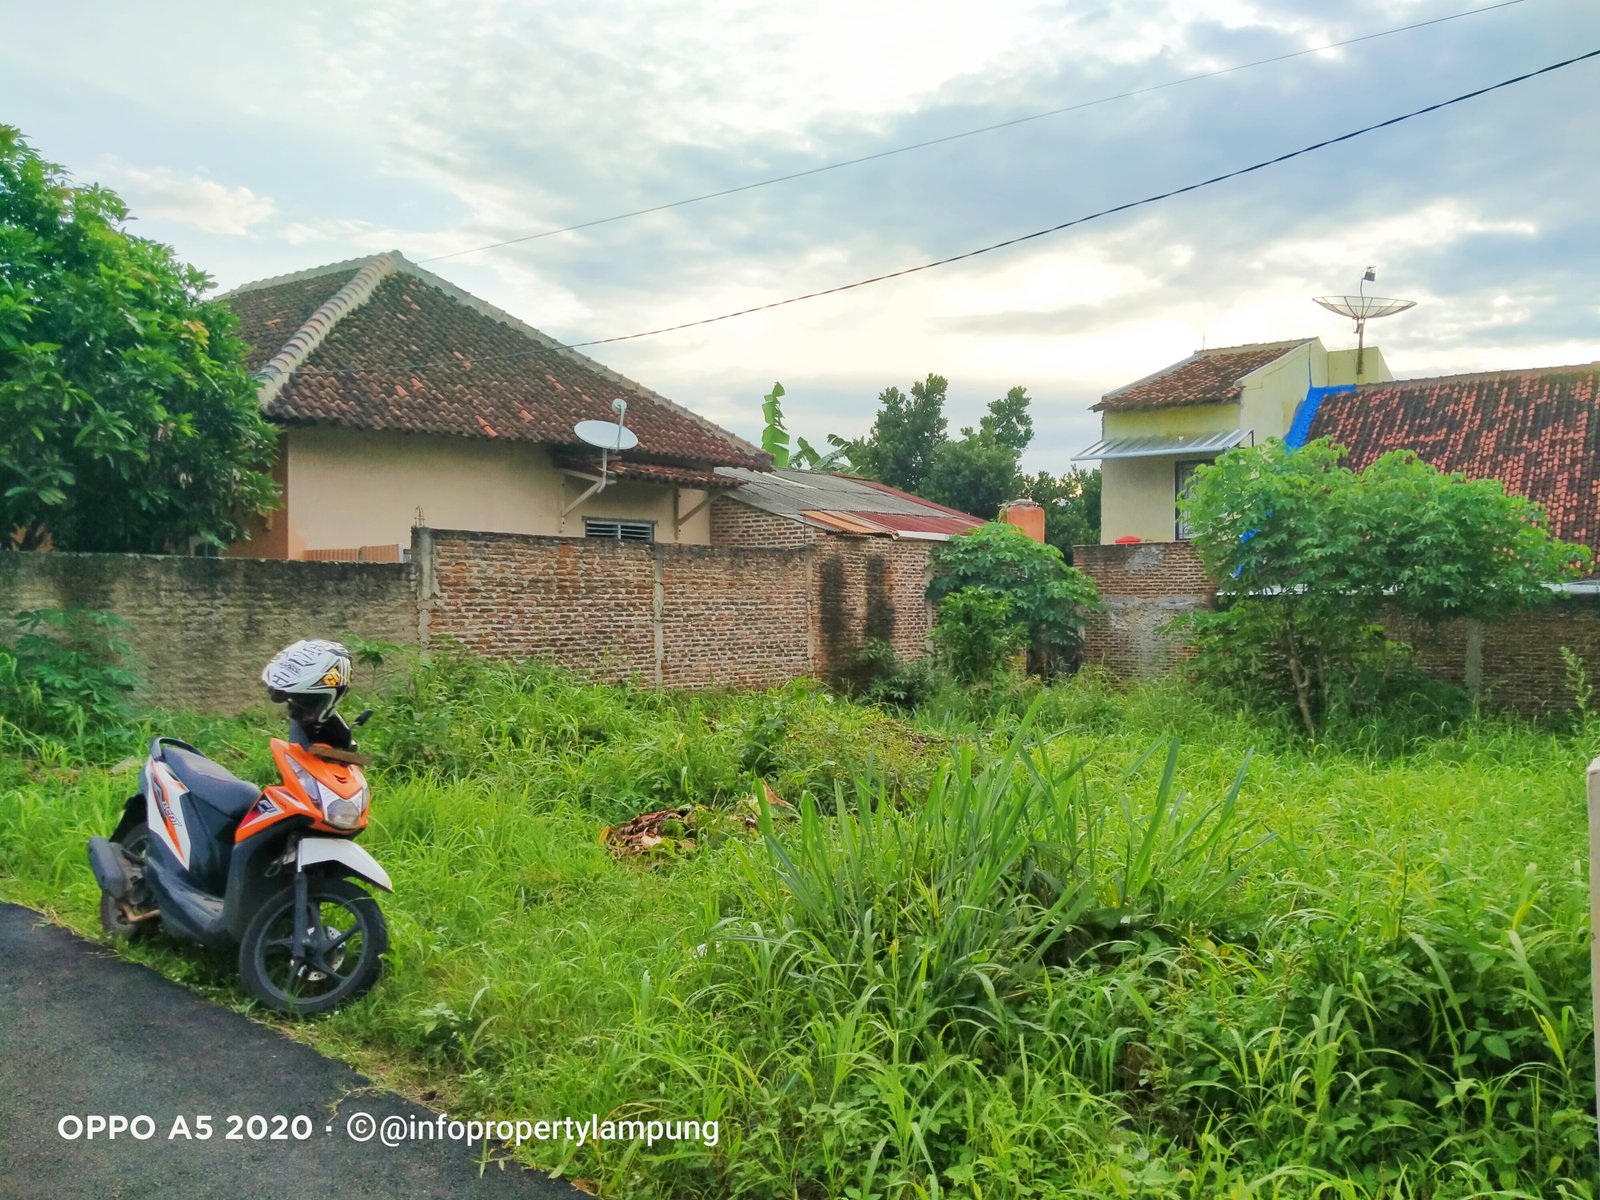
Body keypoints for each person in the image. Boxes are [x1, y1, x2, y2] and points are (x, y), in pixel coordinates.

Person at [261, 639, 356, 750]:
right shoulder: (301, 719)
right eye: (293, 701)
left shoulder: (338, 733)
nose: (293, 711)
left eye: (303, 702)